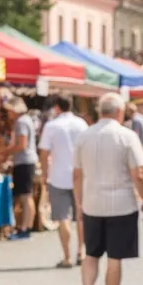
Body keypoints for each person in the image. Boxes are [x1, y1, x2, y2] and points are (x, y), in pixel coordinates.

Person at [72, 92, 143, 285]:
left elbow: (76, 174)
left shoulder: (84, 136)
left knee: (91, 254)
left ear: (99, 112)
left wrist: (79, 203)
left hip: (92, 203)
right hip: (122, 204)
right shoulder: (127, 136)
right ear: (119, 111)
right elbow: (140, 174)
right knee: (115, 258)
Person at [38, 94, 88, 268]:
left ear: (57, 107)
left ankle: (67, 256)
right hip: (80, 175)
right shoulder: (81, 124)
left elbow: (44, 153)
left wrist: (44, 174)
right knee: (81, 216)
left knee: (62, 217)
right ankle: (81, 252)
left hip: (58, 176)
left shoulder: (52, 126)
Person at [0, 99, 36, 240]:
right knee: (26, 196)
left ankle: (25, 228)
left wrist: (6, 152)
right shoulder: (25, 120)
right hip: (25, 161)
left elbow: (22, 145)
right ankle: (26, 227)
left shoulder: (22, 122)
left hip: (24, 162)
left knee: (25, 196)